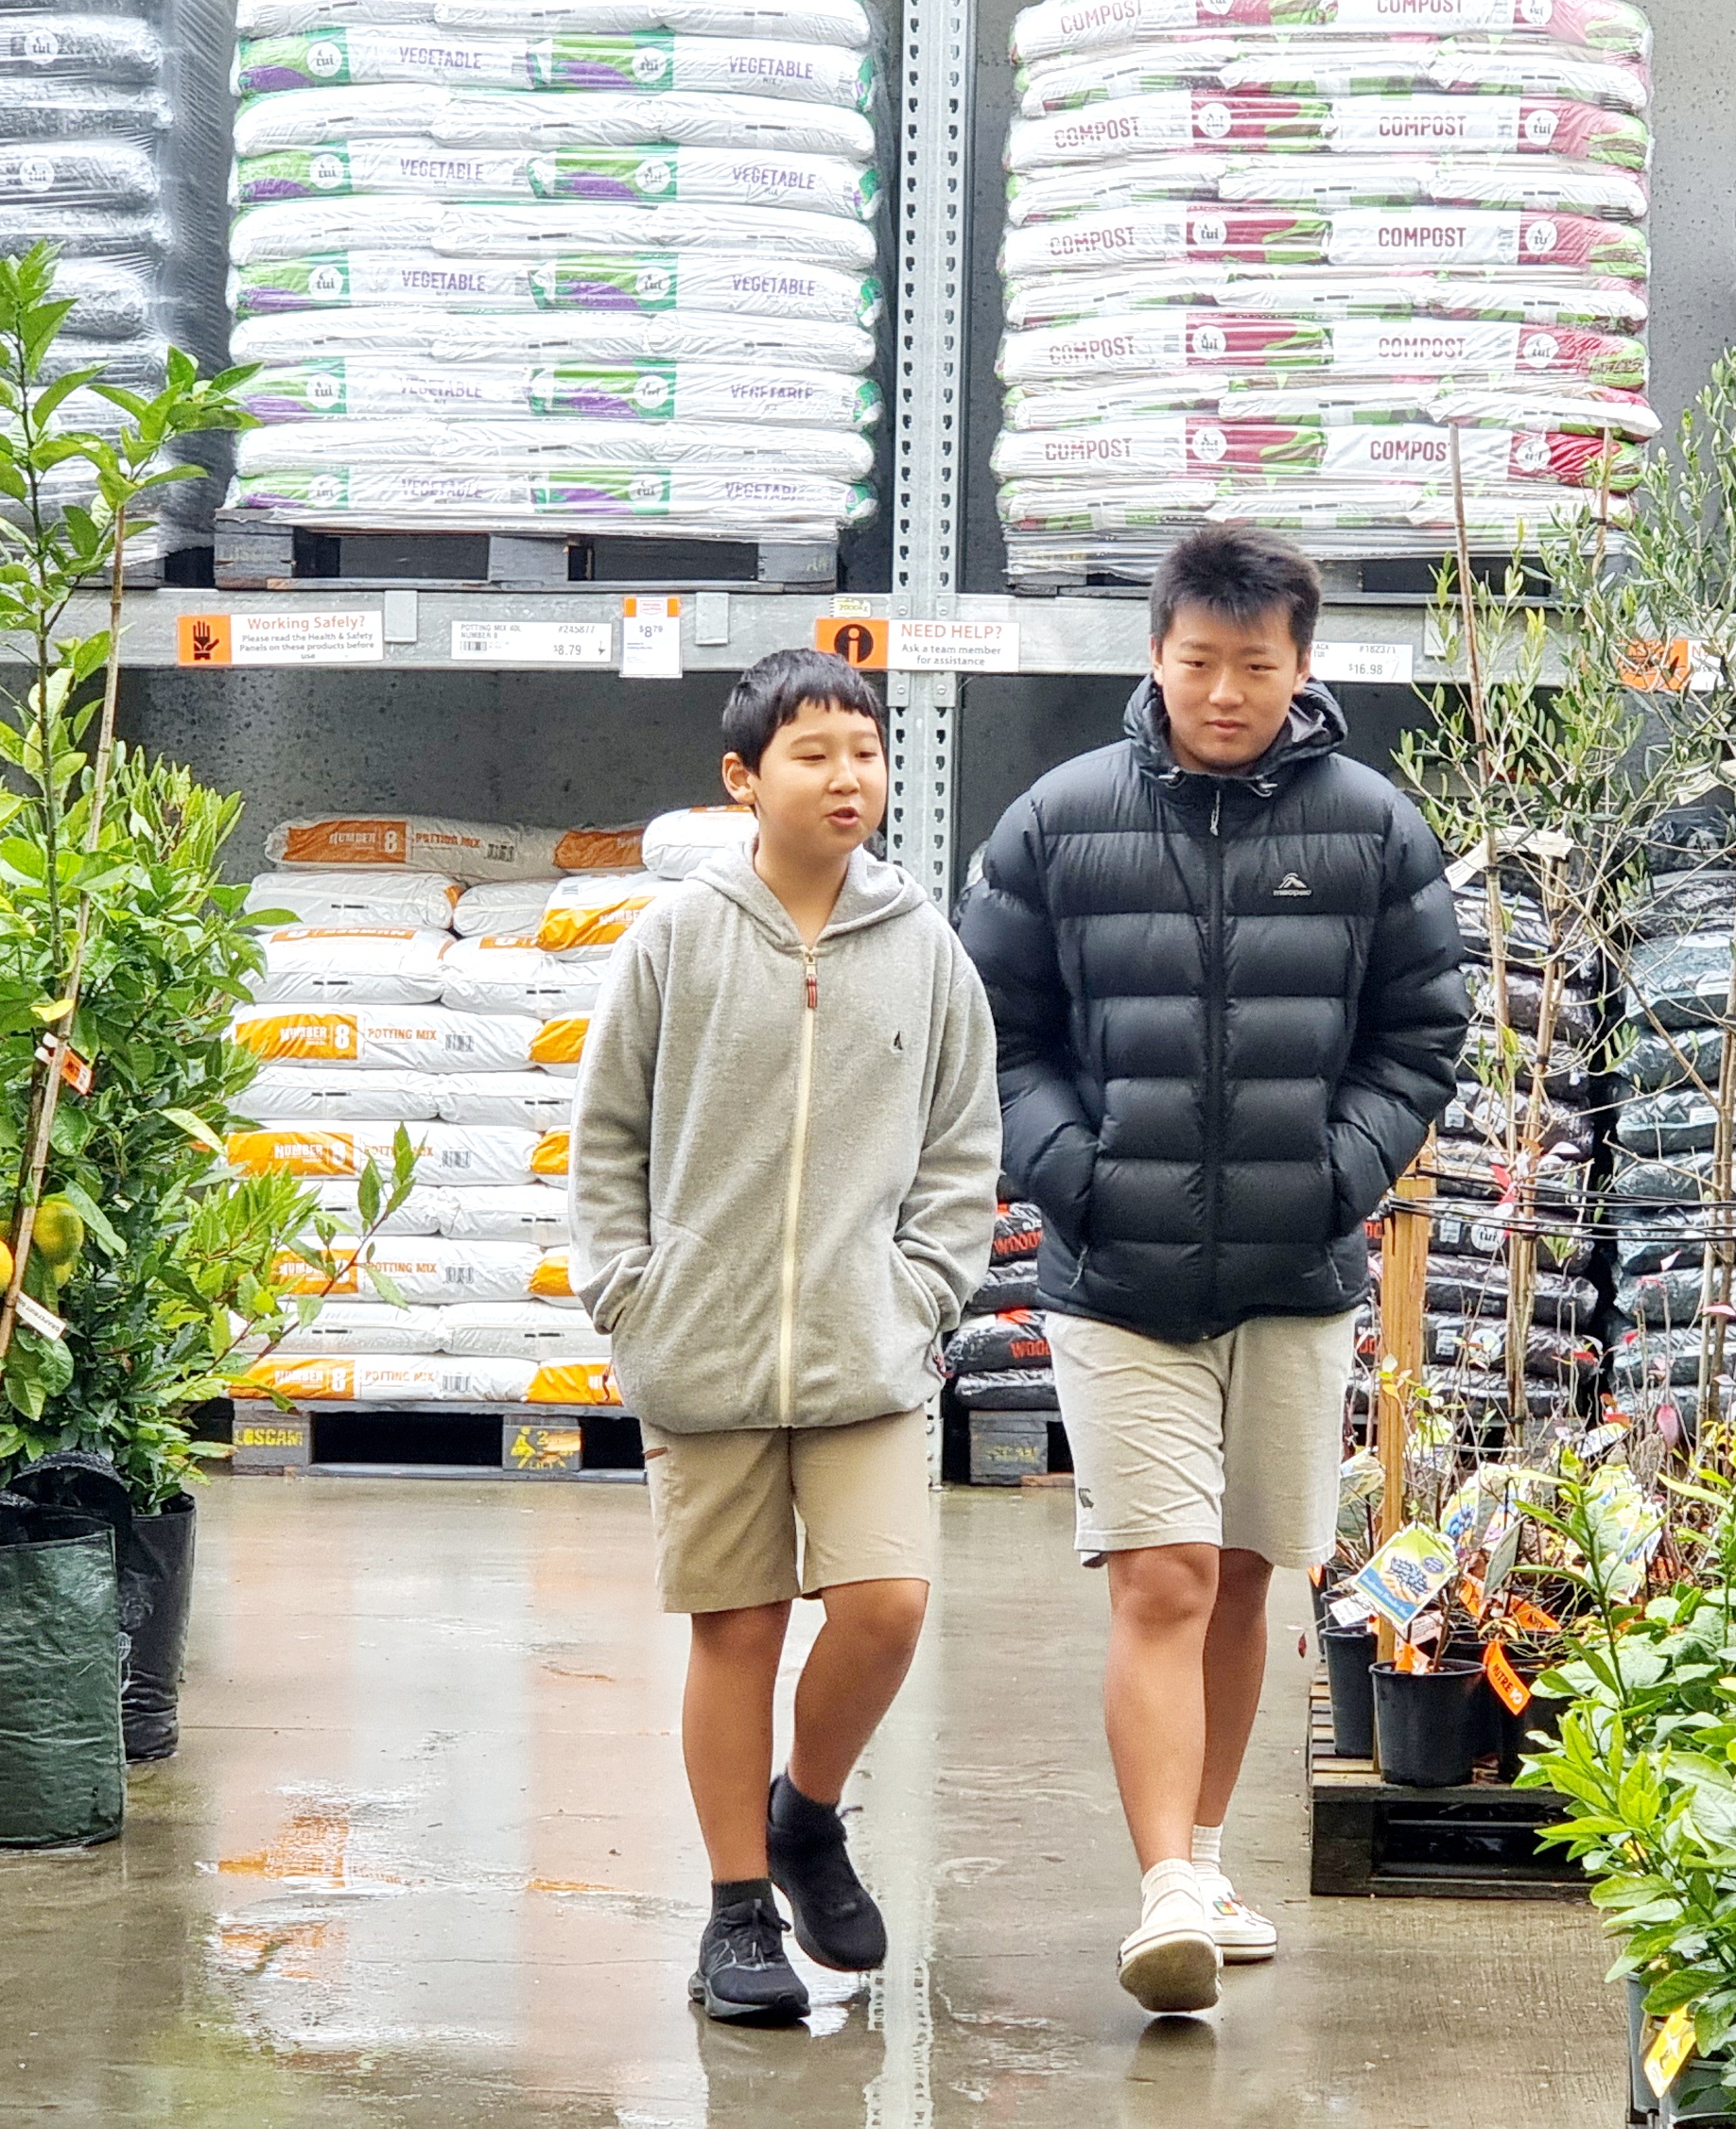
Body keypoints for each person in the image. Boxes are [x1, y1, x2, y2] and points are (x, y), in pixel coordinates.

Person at [955, 525, 1467, 2014]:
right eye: (1199, 663)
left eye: (1254, 665)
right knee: (1162, 1575)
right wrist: (1081, 1175)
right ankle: (1164, 1884)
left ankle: (1209, 1853)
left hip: (1296, 1273)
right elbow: (997, 1030)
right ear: (1156, 657)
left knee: (1249, 1576)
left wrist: (1337, 1177)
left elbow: (1421, 1032)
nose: (1225, 693)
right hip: (1118, 1278)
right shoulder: (1059, 822)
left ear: (1302, 665)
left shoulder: (1373, 828)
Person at [571, 647, 1001, 2026]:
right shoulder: (676, 940)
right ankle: (736, 1914)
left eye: (864, 751)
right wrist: (629, 1289)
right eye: (813, 753)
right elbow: (607, 1136)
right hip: (701, 1348)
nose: (847, 776)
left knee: (886, 1608)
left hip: (867, 1350)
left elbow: (962, 1146)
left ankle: (806, 1814)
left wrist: (924, 1289)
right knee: (739, 1627)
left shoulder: (924, 948)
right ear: (743, 779)